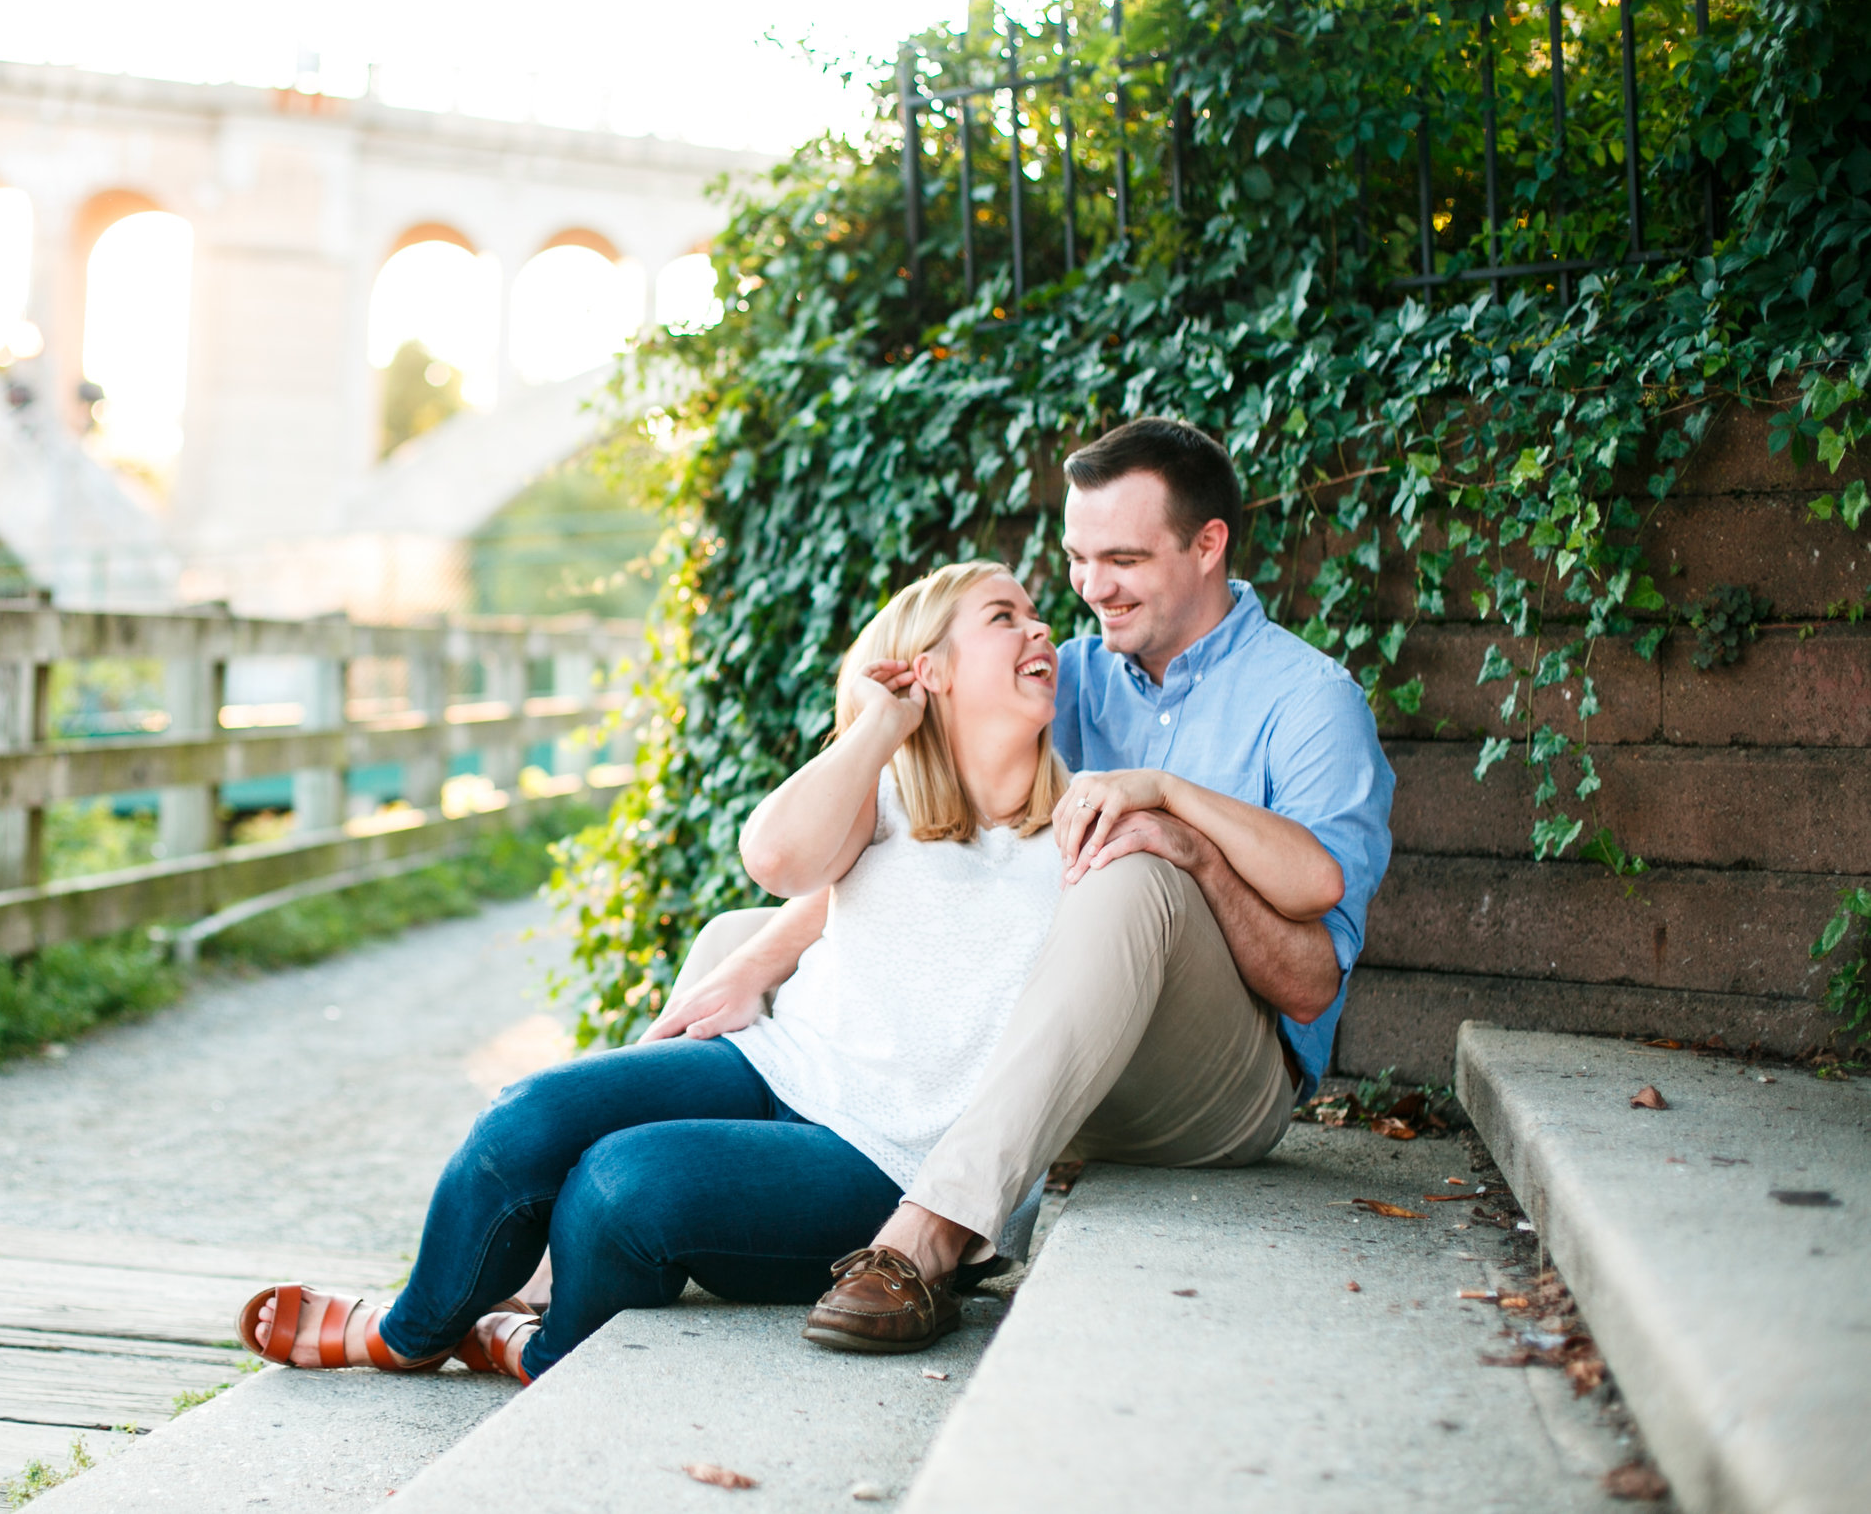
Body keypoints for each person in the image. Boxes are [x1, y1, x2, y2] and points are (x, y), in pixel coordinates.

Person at [237, 555, 1332, 1380]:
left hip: (887, 1154)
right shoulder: (889, 798)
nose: (1043, 626)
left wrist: (1172, 802)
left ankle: (537, 1347)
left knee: (617, 1190)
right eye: (1004, 615)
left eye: (1034, 613)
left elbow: (1313, 882)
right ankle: (407, 1330)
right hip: (780, 1068)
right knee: (521, 1121)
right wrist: (878, 721)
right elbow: (774, 858)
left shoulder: (1088, 832)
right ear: (934, 668)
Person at [656, 415, 1397, 1352]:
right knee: (731, 938)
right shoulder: (1063, 676)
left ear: (1209, 545)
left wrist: (1192, 844)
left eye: (1121, 559)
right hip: (1041, 1052)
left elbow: (1309, 981)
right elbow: (927, 848)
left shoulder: (1309, 703)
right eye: (1078, 559)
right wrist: (761, 955)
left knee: (1134, 869)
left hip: (1213, 1082)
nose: (1089, 589)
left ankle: (934, 1234)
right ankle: (580, 1228)